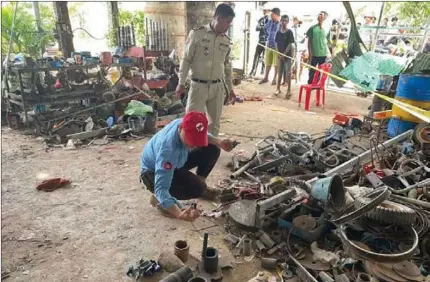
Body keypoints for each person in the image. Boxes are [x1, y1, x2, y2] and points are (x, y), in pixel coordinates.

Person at [140, 111, 236, 221]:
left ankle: (198, 185)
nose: (193, 145)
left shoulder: (186, 123)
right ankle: (159, 201)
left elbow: (203, 135)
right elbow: (161, 188)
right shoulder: (168, 150)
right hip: (152, 172)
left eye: (196, 139)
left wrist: (219, 142)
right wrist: (178, 213)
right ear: (180, 128)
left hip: (176, 160)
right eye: (190, 139)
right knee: (197, 188)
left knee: (212, 149)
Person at [176, 3, 236, 137]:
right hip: (198, 87)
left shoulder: (225, 41)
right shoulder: (197, 34)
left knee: (214, 124)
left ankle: (209, 153)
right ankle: (188, 153)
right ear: (218, 18)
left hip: (217, 88)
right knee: (191, 121)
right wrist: (180, 83)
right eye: (227, 22)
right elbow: (186, 60)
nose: (228, 26)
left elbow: (227, 66)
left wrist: (230, 89)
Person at [269, 15, 295, 99]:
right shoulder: (278, 32)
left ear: (287, 22)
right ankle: (278, 89)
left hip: (287, 56)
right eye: (282, 20)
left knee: (288, 73)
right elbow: (276, 43)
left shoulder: (289, 32)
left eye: (285, 21)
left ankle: (289, 90)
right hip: (280, 56)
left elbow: (290, 44)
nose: (284, 22)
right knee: (279, 72)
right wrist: (279, 53)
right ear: (281, 21)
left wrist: (284, 53)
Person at [306, 11, 330, 85]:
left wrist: (329, 53)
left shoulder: (326, 29)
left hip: (323, 54)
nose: (319, 16)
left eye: (321, 15)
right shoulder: (312, 28)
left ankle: (316, 84)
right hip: (314, 54)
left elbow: (327, 42)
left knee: (320, 70)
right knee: (312, 69)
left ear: (325, 18)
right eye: (319, 15)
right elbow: (309, 42)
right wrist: (310, 54)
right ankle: (310, 83)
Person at [259, 7, 281, 85]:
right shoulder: (270, 22)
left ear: (276, 14)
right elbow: (264, 28)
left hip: (277, 47)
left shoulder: (280, 24)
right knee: (268, 62)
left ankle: (275, 78)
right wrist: (267, 36)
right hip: (269, 45)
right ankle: (266, 78)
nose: (271, 15)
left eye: (272, 14)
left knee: (276, 64)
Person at [249, 6, 271, 77]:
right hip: (262, 40)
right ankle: (254, 72)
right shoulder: (263, 19)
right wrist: (264, 27)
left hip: (266, 41)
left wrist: (264, 27)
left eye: (265, 10)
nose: (263, 11)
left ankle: (261, 72)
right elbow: (257, 28)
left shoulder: (270, 20)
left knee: (264, 57)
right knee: (257, 56)